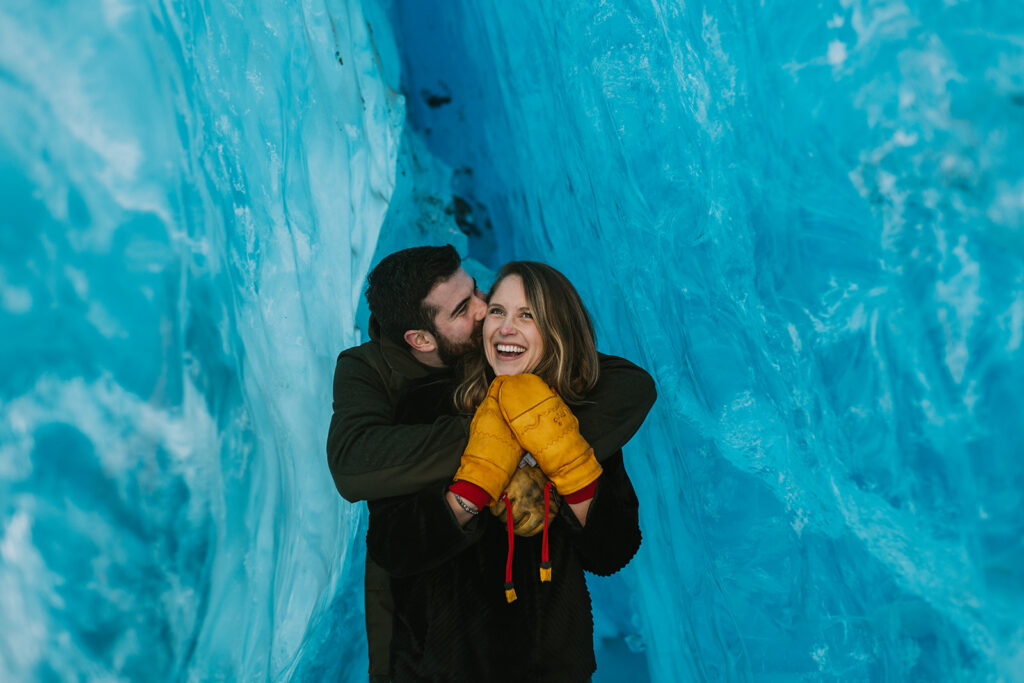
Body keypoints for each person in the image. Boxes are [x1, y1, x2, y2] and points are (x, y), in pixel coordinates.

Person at [327, 245, 656, 682]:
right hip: (436, 665)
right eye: (484, 308)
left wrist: (563, 457)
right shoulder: (417, 401)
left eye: (526, 314)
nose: (488, 316)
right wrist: (485, 455)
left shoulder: (565, 411)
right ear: (421, 339)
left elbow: (612, 549)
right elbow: (390, 539)